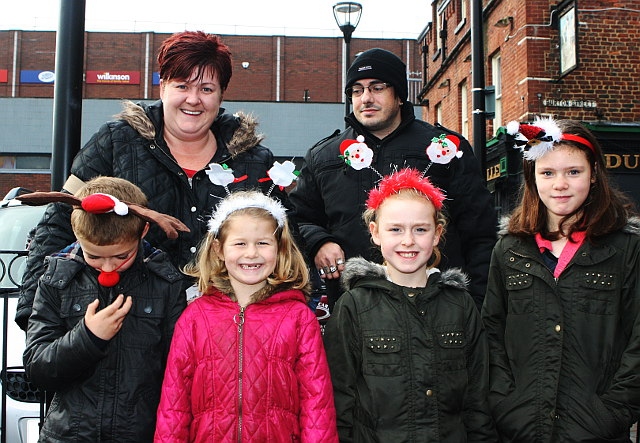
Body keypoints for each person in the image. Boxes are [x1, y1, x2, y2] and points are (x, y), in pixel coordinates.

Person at [16, 30, 288, 331]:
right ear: (163, 86)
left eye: (207, 89)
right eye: (182, 85)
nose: (193, 99)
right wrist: (33, 314)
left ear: (221, 94)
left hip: (226, 333)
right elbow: (58, 222)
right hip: (131, 332)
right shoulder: (116, 142)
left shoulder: (254, 160)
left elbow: (286, 242)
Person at [289, 47, 496, 313]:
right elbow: (297, 218)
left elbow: (480, 233)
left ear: (399, 95)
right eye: (357, 90)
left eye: (377, 88)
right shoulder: (324, 156)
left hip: (438, 309)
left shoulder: (444, 149)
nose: (365, 98)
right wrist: (319, 241)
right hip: (354, 311)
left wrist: (476, 307)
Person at [482, 118, 640, 441]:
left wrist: (609, 413)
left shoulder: (627, 249)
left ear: (594, 174)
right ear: (532, 177)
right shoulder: (509, 250)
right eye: (548, 173)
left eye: (573, 172)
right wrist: (506, 406)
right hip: (522, 429)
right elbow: (491, 336)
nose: (560, 185)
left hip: (599, 430)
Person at [323, 168, 495, 442]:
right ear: (375, 233)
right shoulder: (354, 306)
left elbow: (478, 395)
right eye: (395, 229)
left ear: (437, 234)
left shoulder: (460, 305)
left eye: (420, 229)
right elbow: (339, 396)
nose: (408, 241)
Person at [154, 190, 338, 442]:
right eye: (240, 243)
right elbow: (174, 403)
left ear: (280, 248)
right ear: (219, 249)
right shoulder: (196, 317)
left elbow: (316, 401)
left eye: (262, 243)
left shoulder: (297, 317)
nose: (251, 253)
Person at [21, 176, 188, 443]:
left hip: (141, 434)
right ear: (77, 234)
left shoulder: (165, 283)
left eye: (122, 256)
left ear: (143, 231)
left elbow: (179, 373)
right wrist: (88, 336)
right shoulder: (57, 280)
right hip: (68, 436)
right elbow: (38, 369)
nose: (108, 268)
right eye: (94, 256)